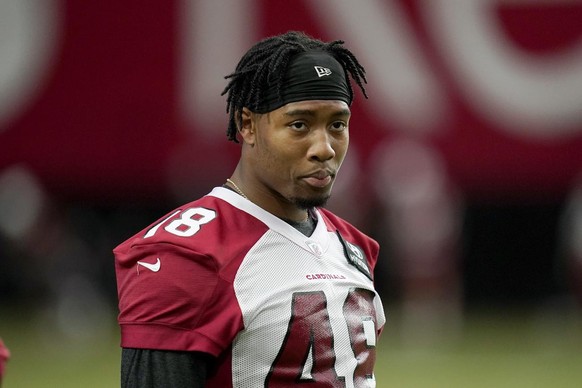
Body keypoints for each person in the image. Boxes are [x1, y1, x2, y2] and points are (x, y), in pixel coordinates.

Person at [114, 30, 386, 387]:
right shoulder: (186, 255)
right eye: (299, 124)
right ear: (247, 124)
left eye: (337, 125)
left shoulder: (352, 245)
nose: (325, 148)